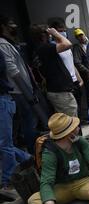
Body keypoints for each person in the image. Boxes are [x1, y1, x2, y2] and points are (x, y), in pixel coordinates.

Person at [0, 16, 39, 153]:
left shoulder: (9, 43)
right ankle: (30, 153)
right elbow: (13, 70)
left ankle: (25, 153)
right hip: (17, 91)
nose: (15, 26)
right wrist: (27, 90)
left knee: (23, 123)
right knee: (26, 122)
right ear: (3, 27)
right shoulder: (3, 44)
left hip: (21, 90)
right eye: (11, 24)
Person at [0, 50, 31, 189]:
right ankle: (26, 158)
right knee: (4, 143)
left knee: (4, 144)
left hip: (2, 100)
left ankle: (9, 180)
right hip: (4, 100)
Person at [72, 27, 89, 122]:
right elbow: (77, 62)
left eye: (82, 35)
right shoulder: (77, 47)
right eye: (79, 36)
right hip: (87, 75)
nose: (81, 37)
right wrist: (87, 71)